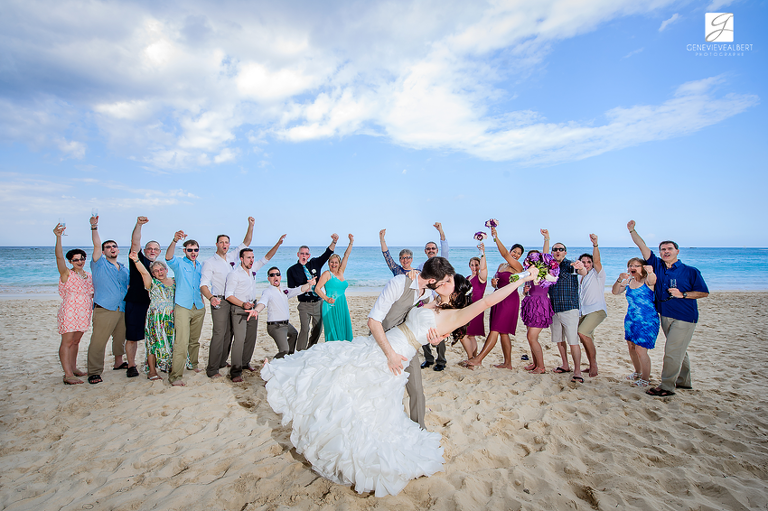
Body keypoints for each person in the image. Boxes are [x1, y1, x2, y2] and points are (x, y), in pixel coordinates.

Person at [261, 262, 536, 497]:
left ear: (456, 291)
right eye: (445, 279)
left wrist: (523, 278)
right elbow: (417, 293)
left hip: (396, 354)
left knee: (362, 396)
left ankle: (358, 453)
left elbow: (489, 300)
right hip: (381, 345)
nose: (446, 283)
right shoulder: (433, 301)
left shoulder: (456, 315)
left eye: (450, 281)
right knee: (340, 372)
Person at [366, 256, 455, 429]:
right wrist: (390, 355)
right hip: (381, 345)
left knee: (416, 390)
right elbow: (373, 321)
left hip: (407, 344)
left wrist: (435, 340)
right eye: (442, 282)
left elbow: (429, 322)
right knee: (383, 391)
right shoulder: (399, 283)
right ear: (431, 280)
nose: (442, 286)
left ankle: (420, 429)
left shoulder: (428, 293)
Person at [627, 220, 709, 397]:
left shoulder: (690, 271)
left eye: (669, 249)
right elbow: (642, 247)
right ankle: (683, 382)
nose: (666, 252)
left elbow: (703, 293)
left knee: (671, 351)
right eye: (663, 249)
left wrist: (684, 295)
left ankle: (666, 387)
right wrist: (632, 231)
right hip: (664, 315)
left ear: (677, 251)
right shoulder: (657, 266)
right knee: (679, 350)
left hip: (685, 317)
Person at [199, 218, 255, 378]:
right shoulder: (209, 262)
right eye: (221, 242)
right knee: (219, 333)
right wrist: (210, 298)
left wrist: (251, 226)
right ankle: (212, 369)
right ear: (216, 244)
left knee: (230, 333)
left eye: (227, 242)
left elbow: (246, 242)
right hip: (220, 301)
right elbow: (203, 284)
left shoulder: (232, 257)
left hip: (234, 301)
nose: (224, 244)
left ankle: (223, 361)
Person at [466, 227, 524, 370]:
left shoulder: (517, 267)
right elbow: (497, 280)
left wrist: (495, 237)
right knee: (503, 333)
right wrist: (494, 283)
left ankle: (479, 359)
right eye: (514, 251)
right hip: (498, 298)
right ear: (511, 251)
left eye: (518, 253)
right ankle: (508, 363)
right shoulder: (502, 266)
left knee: (495, 329)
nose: (515, 254)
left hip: (509, 300)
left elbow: (503, 253)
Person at [86, 215, 130, 384]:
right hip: (104, 308)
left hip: (122, 309)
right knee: (98, 341)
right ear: (103, 251)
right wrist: (94, 226)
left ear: (118, 250)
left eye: (114, 246)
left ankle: (118, 363)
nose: (112, 248)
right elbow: (96, 244)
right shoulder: (99, 264)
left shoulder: (124, 269)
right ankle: (94, 371)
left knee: (120, 339)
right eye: (108, 247)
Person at [542, 229, 586, 383]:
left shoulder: (570, 265)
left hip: (570, 308)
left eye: (561, 249)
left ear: (565, 252)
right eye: (555, 249)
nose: (558, 251)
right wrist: (546, 239)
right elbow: (543, 257)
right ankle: (565, 365)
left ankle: (578, 371)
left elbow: (583, 272)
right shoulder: (550, 267)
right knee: (559, 340)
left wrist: (581, 266)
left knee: (573, 341)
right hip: (554, 309)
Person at [53, 223, 93, 385]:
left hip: (84, 312)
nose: (80, 261)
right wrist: (58, 237)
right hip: (70, 311)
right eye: (76, 259)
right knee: (67, 342)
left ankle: (74, 368)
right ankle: (68, 374)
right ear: (70, 261)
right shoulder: (66, 273)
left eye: (82, 258)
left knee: (76, 342)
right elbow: (58, 257)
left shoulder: (88, 275)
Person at [165, 230, 205, 387]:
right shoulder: (179, 263)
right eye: (190, 250)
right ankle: (175, 376)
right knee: (181, 342)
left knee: (194, 341)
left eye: (195, 250)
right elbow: (168, 257)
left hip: (199, 306)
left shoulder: (201, 266)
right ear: (185, 251)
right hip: (183, 306)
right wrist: (174, 240)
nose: (193, 252)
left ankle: (193, 364)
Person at [123, 216, 162, 378]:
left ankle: (153, 365)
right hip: (136, 302)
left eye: (156, 249)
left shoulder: (159, 268)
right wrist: (139, 225)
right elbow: (135, 243)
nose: (152, 251)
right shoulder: (136, 259)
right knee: (132, 337)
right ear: (145, 251)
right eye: (149, 248)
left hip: (153, 306)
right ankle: (131, 365)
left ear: (159, 252)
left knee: (152, 337)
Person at [287, 234, 339, 351]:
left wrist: (334, 241)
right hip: (304, 305)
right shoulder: (291, 270)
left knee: (318, 329)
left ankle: (310, 350)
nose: (304, 256)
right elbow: (291, 291)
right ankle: (300, 351)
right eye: (302, 253)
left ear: (309, 255)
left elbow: (327, 253)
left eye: (306, 254)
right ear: (298, 255)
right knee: (305, 329)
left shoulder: (315, 263)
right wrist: (306, 287)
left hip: (318, 302)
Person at [248, 267, 315, 358]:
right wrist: (256, 310)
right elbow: (262, 302)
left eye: (277, 274)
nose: (275, 276)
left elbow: (299, 289)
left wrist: (309, 284)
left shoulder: (284, 291)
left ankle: (287, 359)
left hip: (286, 325)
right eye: (272, 275)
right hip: (276, 326)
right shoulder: (268, 292)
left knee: (294, 334)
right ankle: (273, 365)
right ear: (269, 279)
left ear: (280, 277)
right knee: (284, 350)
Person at [612, 258, 659, 387]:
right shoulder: (629, 281)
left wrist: (650, 272)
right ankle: (637, 372)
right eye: (631, 265)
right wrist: (620, 279)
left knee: (641, 349)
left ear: (643, 267)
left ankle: (645, 379)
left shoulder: (648, 281)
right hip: (631, 319)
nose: (633, 267)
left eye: (637, 265)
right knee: (631, 347)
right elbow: (615, 291)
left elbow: (653, 280)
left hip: (647, 320)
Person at [128, 252, 175, 380]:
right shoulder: (152, 283)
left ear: (166, 270)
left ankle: (170, 365)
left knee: (171, 342)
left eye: (161, 269)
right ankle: (152, 371)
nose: (159, 272)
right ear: (153, 273)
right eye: (156, 271)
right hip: (155, 318)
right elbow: (143, 273)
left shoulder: (174, 281)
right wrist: (136, 260)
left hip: (171, 318)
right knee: (153, 343)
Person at [419, 222, 450, 371]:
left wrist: (441, 231)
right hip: (425, 302)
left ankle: (441, 361)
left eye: (433, 248)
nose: (431, 250)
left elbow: (446, 247)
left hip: (440, 302)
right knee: (423, 330)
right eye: (428, 249)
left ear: (436, 250)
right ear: (425, 251)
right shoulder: (421, 266)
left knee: (439, 332)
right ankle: (428, 359)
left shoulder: (442, 263)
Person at [576, 234, 606, 378]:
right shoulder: (581, 276)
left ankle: (593, 365)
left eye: (589, 262)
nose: (586, 264)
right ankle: (591, 364)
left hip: (597, 310)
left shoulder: (597, 274)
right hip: (585, 311)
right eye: (583, 261)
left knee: (582, 332)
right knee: (586, 337)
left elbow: (598, 260)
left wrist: (595, 245)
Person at [315, 234, 354, 342]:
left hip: (342, 303)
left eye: (336, 262)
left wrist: (351, 242)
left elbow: (346, 255)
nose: (334, 264)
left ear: (339, 263)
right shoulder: (327, 274)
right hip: (330, 304)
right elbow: (317, 288)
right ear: (328, 263)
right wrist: (326, 299)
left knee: (342, 326)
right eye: (331, 262)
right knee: (333, 329)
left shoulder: (341, 272)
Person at [457, 244, 488, 364]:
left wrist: (482, 252)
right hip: (466, 309)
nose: (474, 267)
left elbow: (485, 269)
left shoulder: (481, 277)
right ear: (469, 265)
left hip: (476, 309)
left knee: (463, 335)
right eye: (472, 264)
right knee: (469, 336)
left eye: (477, 264)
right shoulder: (467, 278)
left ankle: (471, 359)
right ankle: (474, 359)